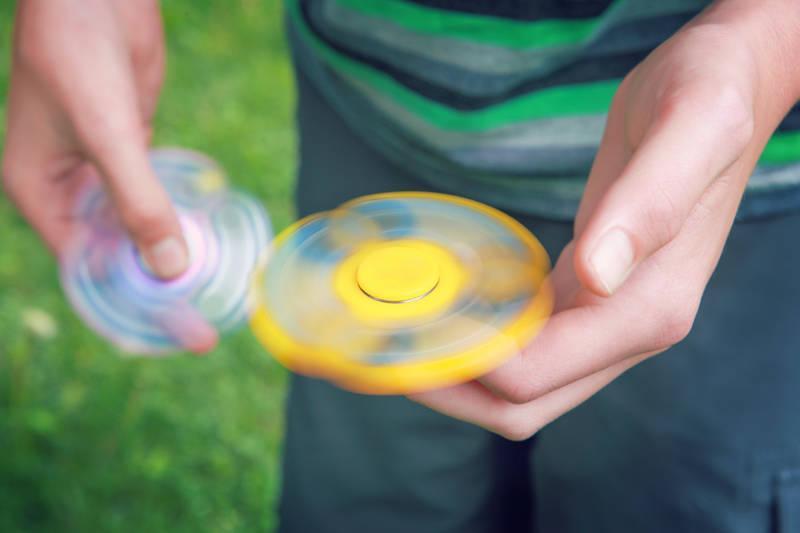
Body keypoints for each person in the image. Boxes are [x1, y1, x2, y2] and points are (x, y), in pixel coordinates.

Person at [4, 0, 800, 531]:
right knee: (369, 499)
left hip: (719, 175)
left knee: (655, 501)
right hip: (373, 121)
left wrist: (768, 48)